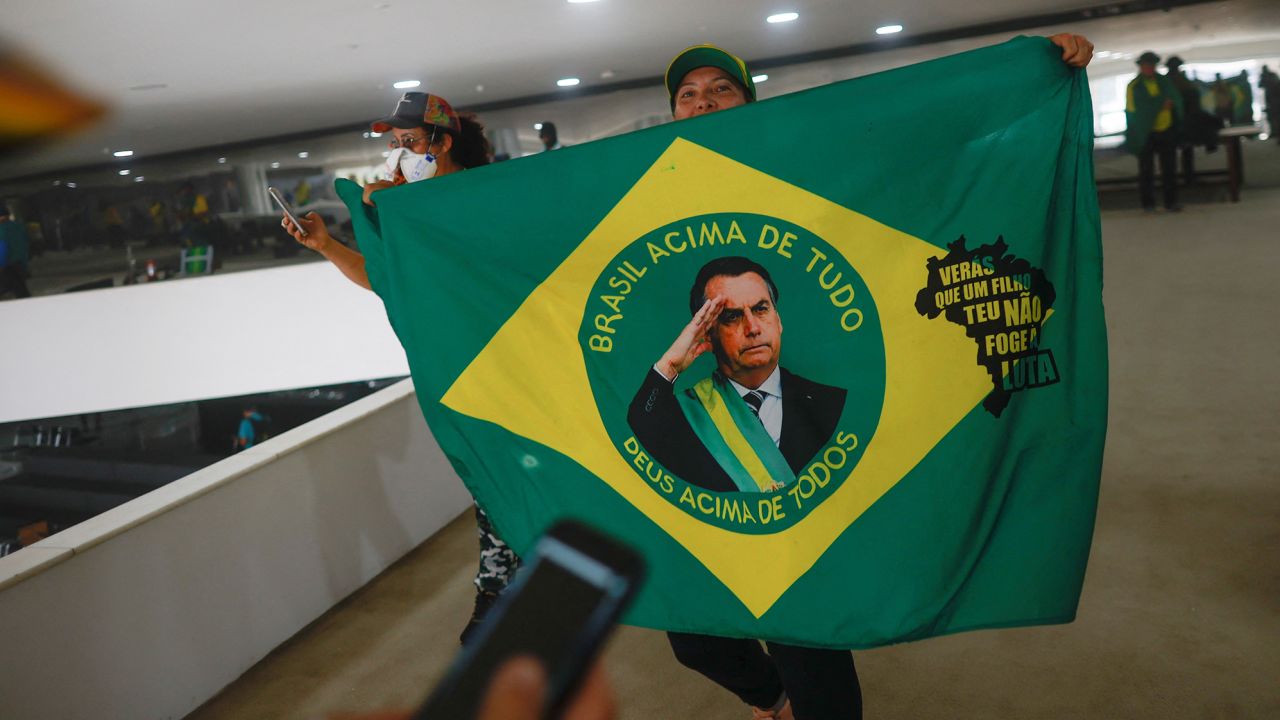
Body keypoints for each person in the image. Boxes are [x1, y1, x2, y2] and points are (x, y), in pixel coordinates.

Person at [654, 35, 1094, 720]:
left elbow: (909, 145)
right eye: (688, 93)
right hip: (707, 445)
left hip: (806, 435)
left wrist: (1031, 71)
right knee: (692, 631)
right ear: (672, 112)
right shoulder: (647, 187)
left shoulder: (798, 161)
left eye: (721, 89)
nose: (703, 100)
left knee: (805, 628)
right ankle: (773, 700)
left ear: (749, 101)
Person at [280, 91, 515, 644]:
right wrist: (325, 244)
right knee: (490, 483)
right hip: (458, 376)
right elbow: (386, 279)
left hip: (508, 368)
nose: (396, 154)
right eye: (393, 144)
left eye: (408, 143)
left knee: (514, 479)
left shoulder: (479, 198)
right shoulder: (405, 209)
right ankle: (500, 594)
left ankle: (504, 596)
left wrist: (401, 208)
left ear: (442, 143)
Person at [628, 257, 846, 493]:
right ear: (707, 334)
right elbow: (634, 442)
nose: (752, 328)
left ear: (778, 320)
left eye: (761, 309)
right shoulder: (686, 416)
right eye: (732, 316)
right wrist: (669, 366)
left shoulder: (833, 405)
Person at [1125, 51, 1183, 213]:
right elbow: (1134, 110)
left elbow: (1176, 100)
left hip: (1166, 129)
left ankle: (1171, 202)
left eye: (1152, 66)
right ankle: (1148, 204)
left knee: (1169, 168)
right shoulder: (1134, 86)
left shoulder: (1164, 82)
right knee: (1146, 170)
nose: (1149, 68)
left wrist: (1169, 106)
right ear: (1141, 67)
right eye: (1146, 66)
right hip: (1145, 133)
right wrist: (1159, 104)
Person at [1165, 55, 1222, 182]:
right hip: (1182, 121)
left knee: (1183, 152)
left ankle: (1186, 176)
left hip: (1184, 120)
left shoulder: (1173, 80)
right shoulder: (1176, 81)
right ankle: (1187, 176)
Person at [0, 205, 32, 299]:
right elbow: (26, 243)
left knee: (14, 291)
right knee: (21, 290)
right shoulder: (19, 226)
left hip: (8, 265)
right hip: (20, 263)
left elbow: (2, 248)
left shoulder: (1, 229)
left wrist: (1, 265)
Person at [1262, 65, 1280, 144]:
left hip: (1274, 102)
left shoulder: (1272, 76)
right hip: (1272, 102)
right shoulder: (1270, 76)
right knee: (1273, 120)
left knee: (1275, 120)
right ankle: (1275, 133)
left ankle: (1276, 134)